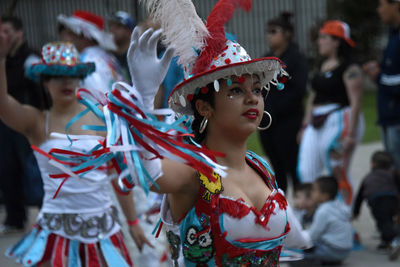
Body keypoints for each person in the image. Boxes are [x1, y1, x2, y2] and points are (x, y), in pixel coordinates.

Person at [0, 38, 151, 266]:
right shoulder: (38, 121)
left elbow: (116, 175)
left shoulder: (102, 117)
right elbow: (3, 105)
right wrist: (2, 57)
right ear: (44, 82)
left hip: (103, 232)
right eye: (58, 76)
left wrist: (132, 223)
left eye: (72, 74)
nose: (67, 82)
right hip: (54, 234)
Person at [297, 20, 365, 205]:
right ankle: (312, 214)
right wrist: (304, 126)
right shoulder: (322, 66)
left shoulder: (350, 68)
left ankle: (343, 217)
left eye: (324, 37)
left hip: (339, 119)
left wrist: (350, 134)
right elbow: (312, 98)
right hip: (316, 122)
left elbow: (356, 101)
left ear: (337, 41)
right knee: (306, 170)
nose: (319, 41)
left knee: (337, 170)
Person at [0, 16, 42, 234]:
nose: (3, 36)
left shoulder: (30, 58)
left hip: (27, 123)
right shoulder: (4, 59)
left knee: (33, 170)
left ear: (19, 33)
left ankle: (42, 214)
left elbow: (40, 93)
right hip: (6, 124)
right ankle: (15, 218)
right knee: (7, 170)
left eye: (6, 31)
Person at [258, 11, 308, 193]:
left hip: (289, 123)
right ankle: (282, 207)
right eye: (268, 31)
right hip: (268, 123)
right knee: (276, 170)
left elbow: (298, 90)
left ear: (287, 34)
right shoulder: (266, 58)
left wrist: (276, 110)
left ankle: (302, 206)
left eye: (274, 31)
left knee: (294, 168)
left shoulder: (296, 58)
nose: (269, 36)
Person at [363, 0, 400, 176]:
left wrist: (377, 76)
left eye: (382, 4)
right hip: (389, 116)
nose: (379, 10)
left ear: (396, 5)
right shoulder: (393, 34)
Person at [57, 10, 125, 96]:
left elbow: (100, 99)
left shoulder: (89, 62)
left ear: (85, 36)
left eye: (71, 34)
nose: (67, 39)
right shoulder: (106, 56)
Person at [352, 151, 400, 255]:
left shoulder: (367, 177)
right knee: (387, 222)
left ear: (372, 164)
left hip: (377, 201)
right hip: (393, 199)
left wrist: (356, 212)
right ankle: (386, 241)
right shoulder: (393, 174)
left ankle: (394, 240)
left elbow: (359, 197)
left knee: (383, 222)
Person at [304, 176, 353, 265]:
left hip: (331, 251)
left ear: (324, 196)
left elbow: (313, 235)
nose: (311, 193)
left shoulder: (323, 211)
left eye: (314, 190)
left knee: (301, 253)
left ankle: (320, 261)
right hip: (346, 251)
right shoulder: (340, 205)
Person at [108, 10, 135, 82]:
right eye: (111, 25)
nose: (112, 30)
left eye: (118, 27)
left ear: (129, 31)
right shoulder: (109, 57)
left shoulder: (136, 56)